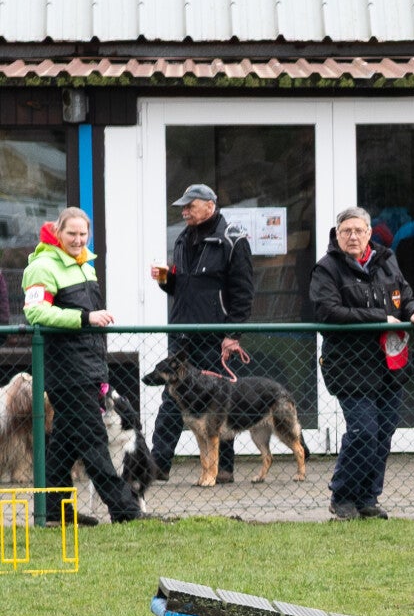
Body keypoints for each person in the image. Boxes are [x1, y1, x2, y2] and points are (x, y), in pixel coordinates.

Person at [21, 208, 142, 524]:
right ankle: (125, 510)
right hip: (65, 370)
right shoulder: (42, 267)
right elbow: (35, 313)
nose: (78, 240)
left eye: (83, 234)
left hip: (90, 366)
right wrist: (85, 318)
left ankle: (53, 510)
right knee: (93, 440)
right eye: (71, 233)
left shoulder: (85, 266)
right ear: (57, 232)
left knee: (64, 445)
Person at [310, 207, 414, 521]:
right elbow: (328, 312)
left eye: (359, 230)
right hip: (349, 366)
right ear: (337, 234)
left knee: (383, 433)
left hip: (389, 364)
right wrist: (380, 318)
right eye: (346, 231)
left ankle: (368, 498)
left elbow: (404, 294)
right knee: (363, 431)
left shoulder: (386, 259)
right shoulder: (327, 268)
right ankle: (342, 495)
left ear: (369, 233)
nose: (353, 236)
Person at [150, 184, 254, 483]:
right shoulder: (183, 238)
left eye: (190, 206)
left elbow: (244, 292)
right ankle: (158, 465)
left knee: (220, 402)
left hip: (215, 337)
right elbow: (182, 287)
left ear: (210, 205)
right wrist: (164, 279)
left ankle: (224, 469)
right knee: (171, 398)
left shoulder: (232, 239)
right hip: (182, 335)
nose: (184, 211)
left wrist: (233, 334)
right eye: (182, 207)